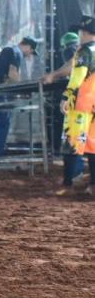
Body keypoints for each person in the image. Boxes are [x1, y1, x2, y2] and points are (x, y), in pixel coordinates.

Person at [54, 17, 95, 196]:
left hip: (81, 104)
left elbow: (78, 77)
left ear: (84, 32)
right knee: (93, 146)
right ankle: (93, 185)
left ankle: (68, 184)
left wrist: (67, 96)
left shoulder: (84, 51)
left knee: (71, 143)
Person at [0, 37, 38, 157]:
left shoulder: (5, 49)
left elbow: (6, 76)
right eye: (31, 51)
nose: (29, 54)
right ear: (27, 46)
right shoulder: (16, 52)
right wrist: (24, 89)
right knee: (3, 121)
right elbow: (13, 74)